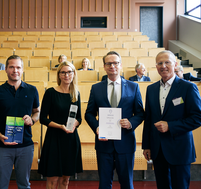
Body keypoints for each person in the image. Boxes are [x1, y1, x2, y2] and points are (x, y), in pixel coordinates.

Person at [85, 51, 144, 189]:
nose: (112, 66)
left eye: (115, 63)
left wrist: (131, 123)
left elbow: (140, 113)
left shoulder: (133, 87)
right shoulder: (96, 88)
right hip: (103, 144)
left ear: (121, 65)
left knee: (127, 184)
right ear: (104, 66)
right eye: (109, 63)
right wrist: (97, 128)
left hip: (126, 143)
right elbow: (89, 114)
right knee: (104, 184)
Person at [142, 50, 201, 189]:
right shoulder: (151, 89)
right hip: (157, 149)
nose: (163, 66)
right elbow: (148, 119)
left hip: (180, 149)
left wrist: (171, 126)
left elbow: (198, 117)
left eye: (167, 62)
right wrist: (147, 145)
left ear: (175, 64)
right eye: (160, 63)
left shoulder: (188, 87)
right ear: (156, 66)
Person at [0, 55, 40, 189]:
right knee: (1, 186)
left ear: (22, 69)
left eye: (18, 67)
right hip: (2, 146)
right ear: (6, 69)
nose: (15, 70)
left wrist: (32, 119)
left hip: (25, 146)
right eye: (12, 67)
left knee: (24, 185)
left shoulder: (32, 90)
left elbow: (37, 112)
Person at [38, 61, 83, 189]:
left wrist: (75, 123)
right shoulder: (50, 92)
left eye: (69, 72)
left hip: (70, 140)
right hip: (54, 139)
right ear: (59, 75)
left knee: (65, 181)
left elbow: (79, 118)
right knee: (52, 180)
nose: (66, 75)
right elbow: (42, 119)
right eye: (63, 72)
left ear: (73, 74)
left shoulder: (76, 94)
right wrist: (60, 126)